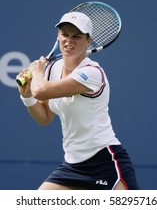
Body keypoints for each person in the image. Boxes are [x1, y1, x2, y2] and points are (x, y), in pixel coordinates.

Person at [17, 11, 139, 190]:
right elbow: (44, 117)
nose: (69, 40)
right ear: (58, 37)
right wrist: (26, 95)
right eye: (64, 34)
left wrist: (36, 71)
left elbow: (41, 91)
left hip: (105, 161)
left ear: (89, 41)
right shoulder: (52, 69)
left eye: (77, 36)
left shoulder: (92, 72)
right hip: (73, 165)